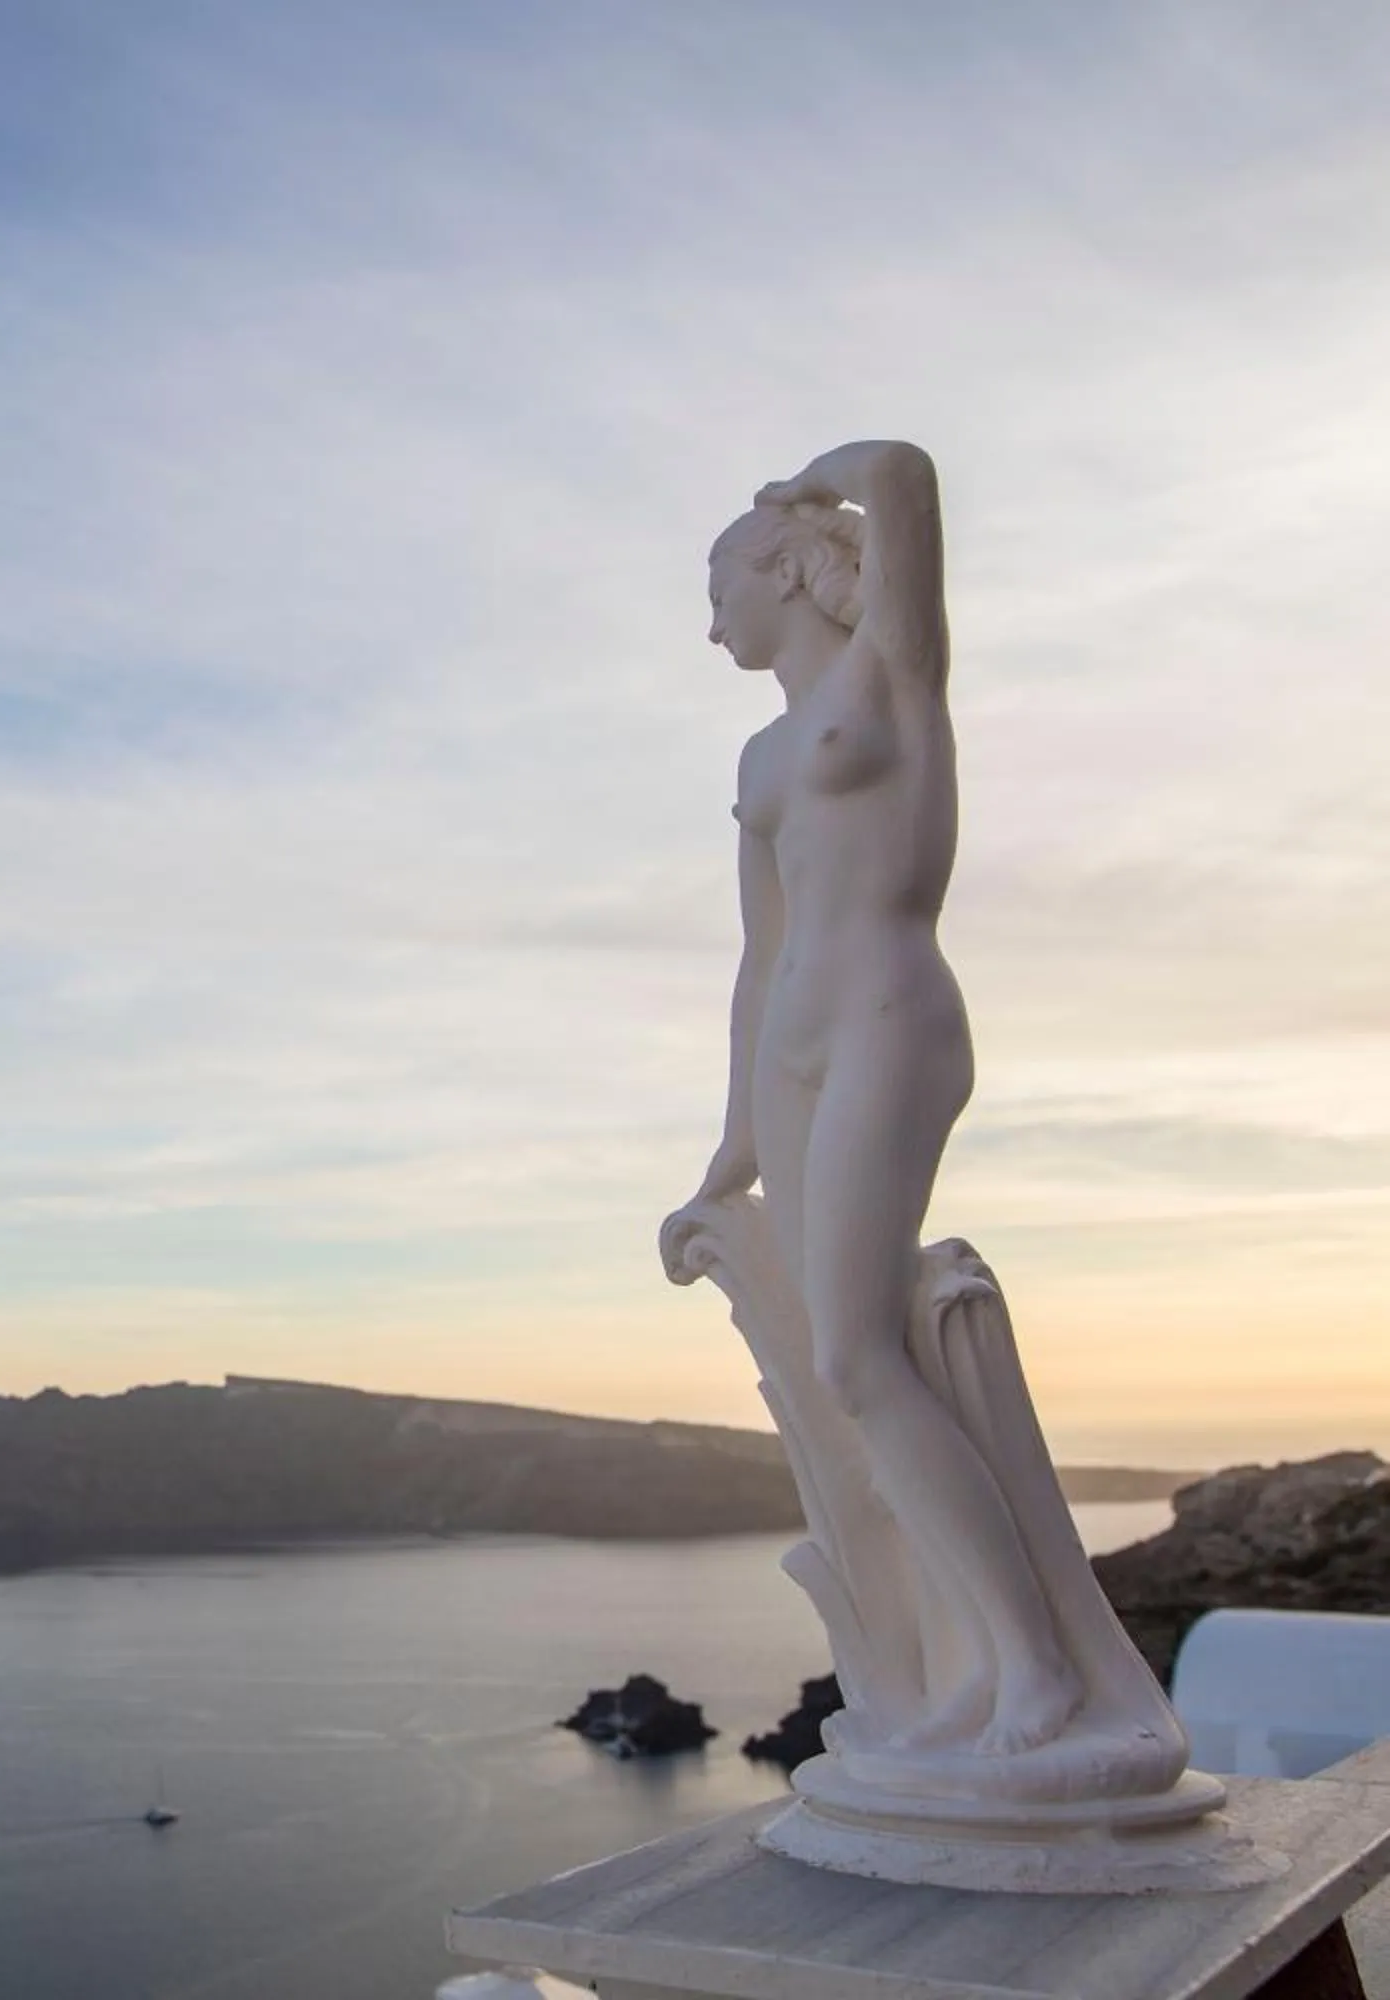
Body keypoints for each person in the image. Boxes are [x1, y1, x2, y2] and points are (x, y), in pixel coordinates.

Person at [659, 440, 1080, 1754]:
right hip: (795, 1048)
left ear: (785, 567)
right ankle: (968, 1666)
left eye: (720, 575)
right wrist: (732, 1140)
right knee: (851, 1370)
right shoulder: (763, 751)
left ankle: (1040, 1671)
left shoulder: (891, 673)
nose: (708, 610)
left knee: (855, 1352)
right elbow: (755, 953)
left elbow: (902, 479)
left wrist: (803, 478)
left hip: (894, 1022)